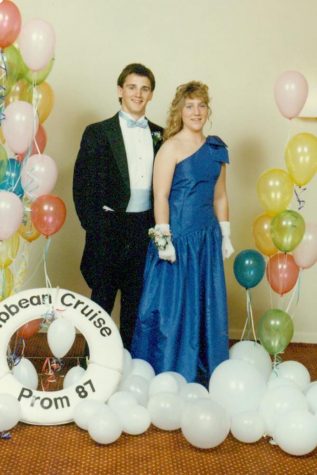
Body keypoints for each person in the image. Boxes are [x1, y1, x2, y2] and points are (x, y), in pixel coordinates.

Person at [131, 81, 234, 385]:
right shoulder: (171, 147)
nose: (196, 111)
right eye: (190, 106)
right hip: (176, 240)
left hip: (205, 240)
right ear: (180, 110)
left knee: (205, 304)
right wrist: (164, 240)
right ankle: (168, 370)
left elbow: (220, 197)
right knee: (172, 308)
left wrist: (226, 234)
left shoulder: (217, 148)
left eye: (201, 105)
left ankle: (205, 370)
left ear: (208, 109)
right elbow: (160, 195)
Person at [73, 63, 163, 352]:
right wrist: (97, 226)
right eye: (132, 87)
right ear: (120, 90)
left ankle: (128, 365)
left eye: (145, 88)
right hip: (108, 228)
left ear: (151, 94)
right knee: (101, 299)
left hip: (144, 228)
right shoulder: (98, 132)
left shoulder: (161, 134)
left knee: (136, 302)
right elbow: (81, 185)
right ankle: (90, 365)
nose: (138, 93)